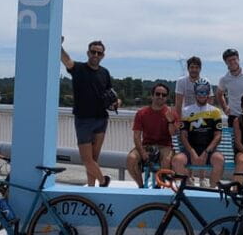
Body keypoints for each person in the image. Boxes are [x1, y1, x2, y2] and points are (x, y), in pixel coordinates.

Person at [60, 38, 121, 187]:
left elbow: (110, 93)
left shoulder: (105, 73)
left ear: (103, 55)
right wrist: (58, 46)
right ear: (88, 53)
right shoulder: (79, 68)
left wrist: (117, 102)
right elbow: (66, 60)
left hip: (101, 119)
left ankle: (92, 188)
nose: (95, 55)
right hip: (83, 120)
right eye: (93, 52)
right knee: (87, 159)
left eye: (99, 53)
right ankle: (103, 180)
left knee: (94, 158)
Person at [172, 79, 224, 187]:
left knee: (219, 160)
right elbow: (183, 135)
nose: (202, 94)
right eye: (199, 91)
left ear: (208, 93)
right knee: (177, 160)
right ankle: (188, 184)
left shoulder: (215, 111)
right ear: (195, 93)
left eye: (205, 91)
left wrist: (206, 152)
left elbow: (218, 136)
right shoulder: (186, 110)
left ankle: (212, 190)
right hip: (191, 149)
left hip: (209, 150)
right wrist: (191, 152)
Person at [127, 82, 177, 187]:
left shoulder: (171, 113)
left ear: (166, 97)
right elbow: (136, 136)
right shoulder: (141, 113)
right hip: (147, 145)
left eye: (163, 95)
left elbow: (173, 133)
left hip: (165, 145)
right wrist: (142, 153)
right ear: (152, 95)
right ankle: (141, 187)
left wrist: (171, 121)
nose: (160, 97)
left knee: (167, 160)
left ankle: (159, 186)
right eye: (157, 94)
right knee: (131, 158)